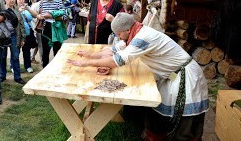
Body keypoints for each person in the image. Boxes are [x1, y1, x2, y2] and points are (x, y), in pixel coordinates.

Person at [68, 13, 209, 140]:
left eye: (118, 34)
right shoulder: (135, 33)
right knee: (159, 112)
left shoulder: (143, 37)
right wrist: (89, 55)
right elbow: (113, 50)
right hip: (172, 76)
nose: (117, 37)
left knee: (186, 121)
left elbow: (118, 60)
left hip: (186, 76)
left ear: (127, 30)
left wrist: (86, 63)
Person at [36, 0, 66, 68]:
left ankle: (57, 68)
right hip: (46, 28)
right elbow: (40, 15)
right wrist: (41, 17)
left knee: (57, 50)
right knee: (45, 51)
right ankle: (45, 69)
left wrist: (52, 15)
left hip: (56, 28)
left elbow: (64, 16)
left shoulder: (59, 2)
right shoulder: (42, 3)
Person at [0, 0, 26, 84]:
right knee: (2, 57)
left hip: (15, 36)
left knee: (15, 57)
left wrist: (23, 38)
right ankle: (2, 75)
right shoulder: (1, 9)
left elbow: (21, 24)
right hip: (3, 37)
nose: (12, 0)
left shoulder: (17, 10)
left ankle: (17, 76)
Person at [17, 0, 38, 73]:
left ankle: (28, 66)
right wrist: (19, 11)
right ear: (16, 0)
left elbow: (35, 15)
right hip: (19, 33)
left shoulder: (27, 8)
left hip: (28, 32)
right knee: (16, 51)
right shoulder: (14, 9)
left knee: (27, 50)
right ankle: (14, 66)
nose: (21, 1)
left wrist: (28, 9)